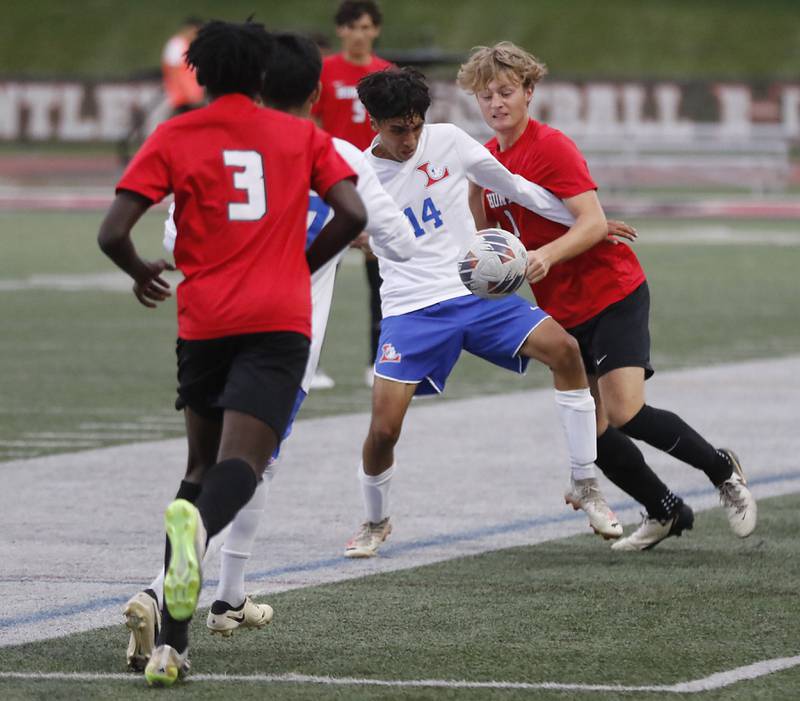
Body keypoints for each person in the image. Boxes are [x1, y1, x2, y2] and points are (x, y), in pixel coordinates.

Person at [122, 31, 417, 666]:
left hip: (204, 321)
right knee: (251, 467)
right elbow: (387, 233)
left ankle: (205, 615)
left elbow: (173, 240)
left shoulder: (200, 140)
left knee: (203, 467)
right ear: (314, 91)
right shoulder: (327, 147)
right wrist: (317, 260)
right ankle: (165, 584)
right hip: (285, 330)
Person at [457, 41, 757, 551]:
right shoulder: (483, 165)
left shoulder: (550, 146)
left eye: (506, 92)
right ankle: (664, 511)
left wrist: (552, 251)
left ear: (529, 91)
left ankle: (721, 470)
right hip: (562, 309)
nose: (496, 104)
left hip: (612, 291)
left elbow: (592, 221)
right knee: (590, 430)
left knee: (625, 412)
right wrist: (492, 269)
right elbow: (487, 241)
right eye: (486, 97)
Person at [343, 67, 624, 559]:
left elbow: (514, 186)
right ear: (373, 123)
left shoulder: (448, 140)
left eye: (415, 126)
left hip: (474, 293)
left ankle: (585, 482)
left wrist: (584, 219)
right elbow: (351, 232)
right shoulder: (361, 178)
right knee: (384, 430)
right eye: (398, 129)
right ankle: (375, 519)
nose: (410, 139)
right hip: (411, 309)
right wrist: (361, 239)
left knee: (566, 351)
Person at [312, 0, 393, 388]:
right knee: (319, 271)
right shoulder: (324, 73)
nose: (359, 34)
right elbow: (310, 122)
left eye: (366, 27)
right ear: (341, 31)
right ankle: (310, 361)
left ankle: (379, 359)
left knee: (382, 278)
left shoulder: (387, 73)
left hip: (378, 185)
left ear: (375, 30)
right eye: (351, 27)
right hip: (331, 185)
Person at [161, 17, 205, 116]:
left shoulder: (188, 45)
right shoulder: (177, 45)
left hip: (193, 98)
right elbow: (175, 73)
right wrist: (191, 94)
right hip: (182, 100)